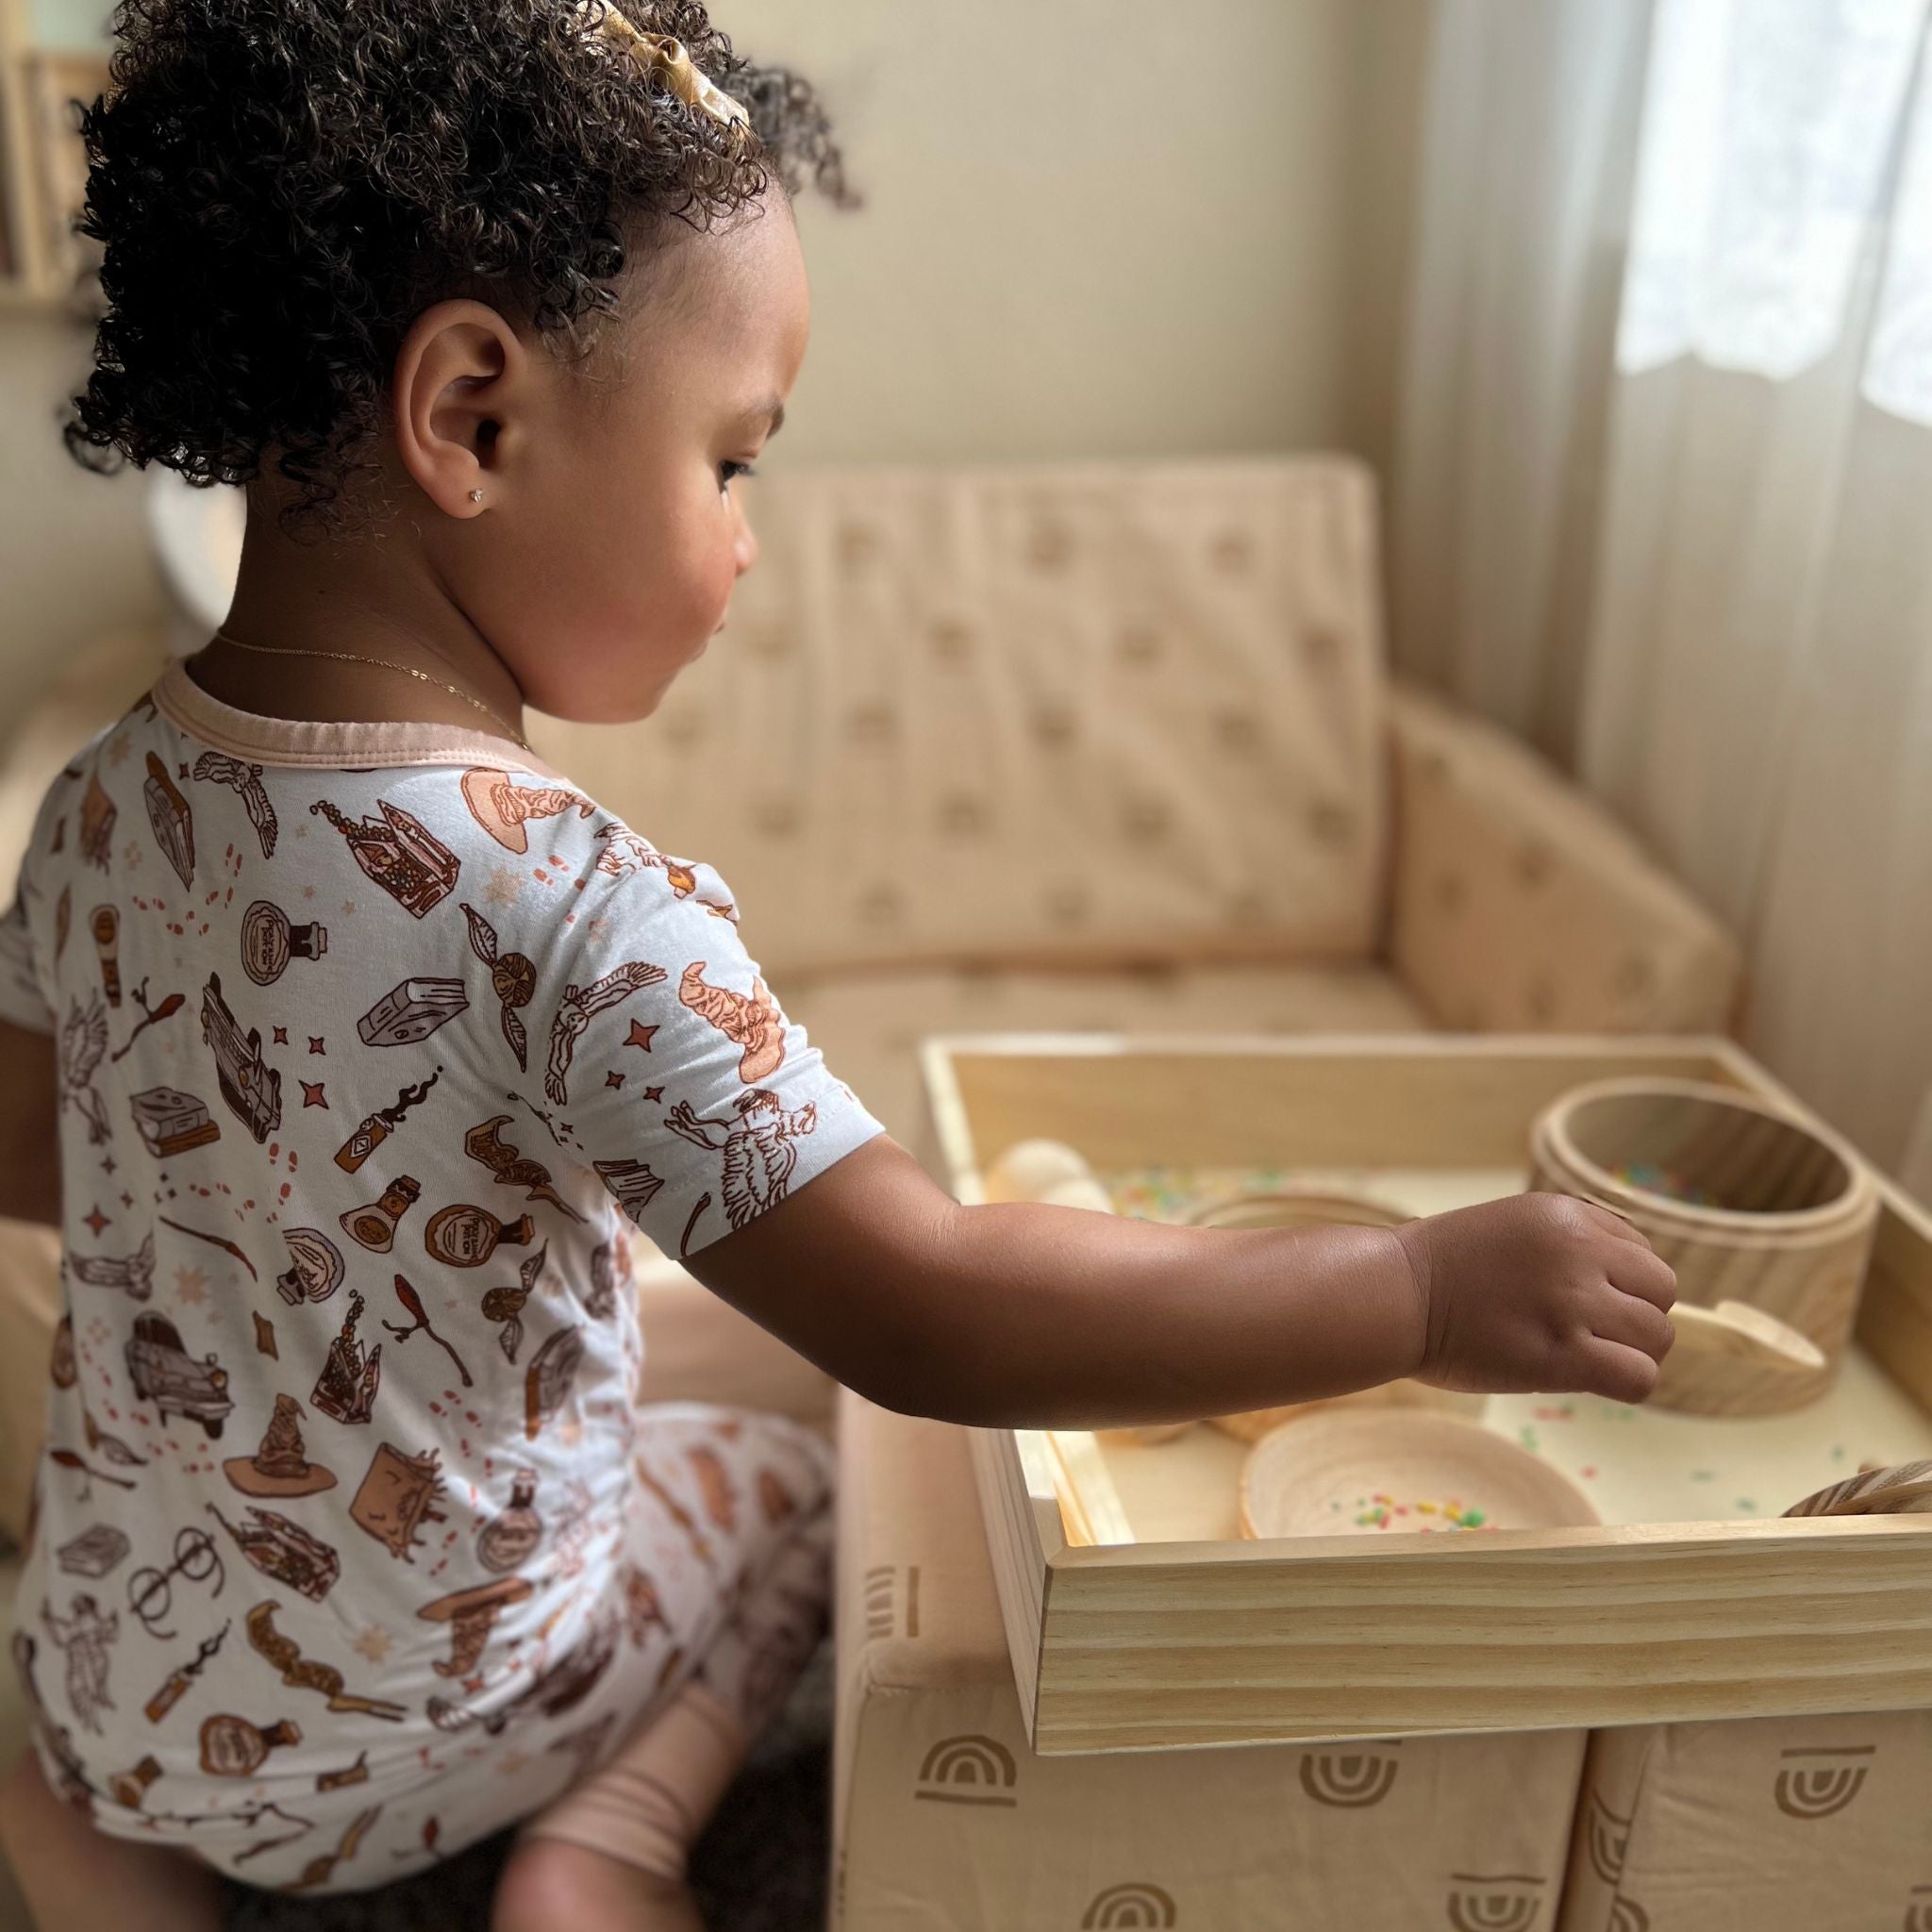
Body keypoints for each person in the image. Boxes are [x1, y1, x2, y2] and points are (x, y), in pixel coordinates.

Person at [0, 3, 1677, 1926]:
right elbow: (932, 1306)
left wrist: (327, 1212)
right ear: (473, 414)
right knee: (796, 1479)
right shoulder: (578, 911)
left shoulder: (105, 802)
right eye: (733, 460)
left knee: (72, 1734)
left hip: (126, 1691)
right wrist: (1405, 1286)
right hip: (434, 1720)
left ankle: (99, 1850)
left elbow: (34, 1149)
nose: (748, 546)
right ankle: (606, 1838)